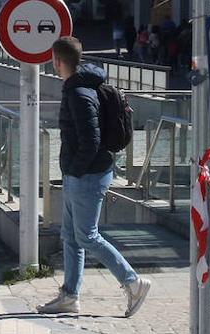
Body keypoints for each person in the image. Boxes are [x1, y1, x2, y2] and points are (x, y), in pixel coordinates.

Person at [39, 36, 151, 317]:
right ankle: (69, 296)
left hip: (87, 175)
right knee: (71, 237)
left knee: (87, 237)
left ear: (57, 61)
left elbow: (90, 139)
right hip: (79, 174)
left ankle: (133, 283)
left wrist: (75, 170)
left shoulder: (78, 94)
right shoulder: (79, 88)